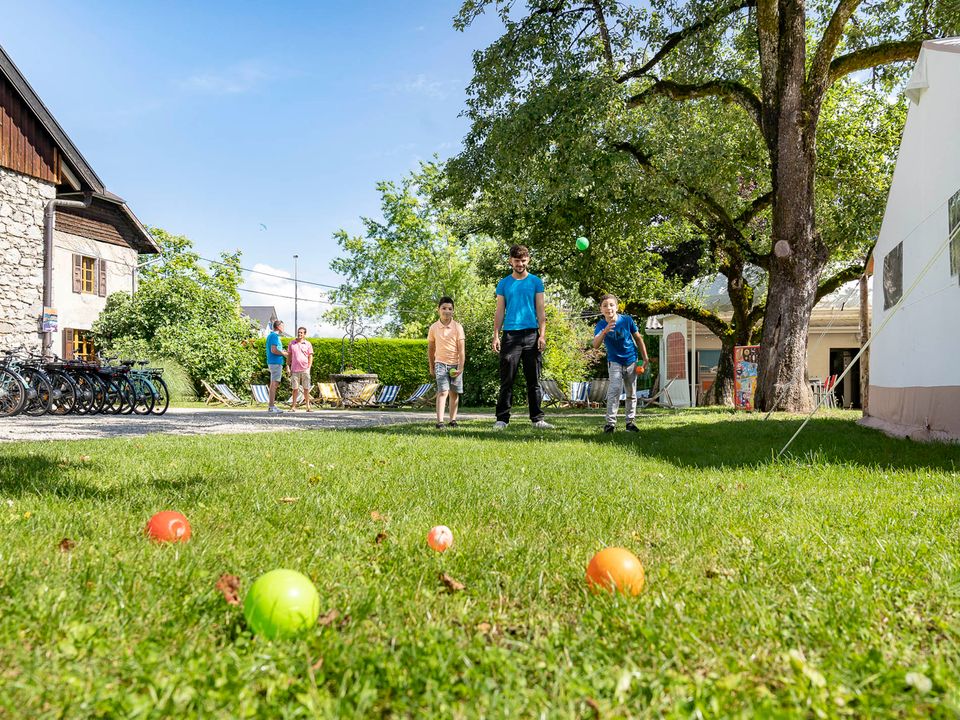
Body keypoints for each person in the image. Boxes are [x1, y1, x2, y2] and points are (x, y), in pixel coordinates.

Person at [492, 244, 553, 430]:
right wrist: (496, 335)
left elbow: (541, 311)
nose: (520, 264)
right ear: (511, 261)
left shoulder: (536, 282)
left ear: (528, 260)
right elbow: (500, 311)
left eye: (523, 260)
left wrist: (542, 335)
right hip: (510, 335)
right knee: (507, 379)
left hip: (531, 335)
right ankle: (502, 419)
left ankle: (537, 419)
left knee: (533, 380)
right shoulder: (503, 283)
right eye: (517, 260)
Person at [593, 294, 649, 433]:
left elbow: (639, 338)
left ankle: (630, 423)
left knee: (631, 392)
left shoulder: (627, 320)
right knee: (614, 391)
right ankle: (610, 424)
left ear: (617, 307)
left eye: (611, 305)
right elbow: (595, 345)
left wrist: (645, 358)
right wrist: (605, 331)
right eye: (605, 305)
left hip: (631, 360)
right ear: (601, 309)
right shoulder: (600, 325)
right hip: (614, 361)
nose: (608, 308)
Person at [427, 296, 466, 429]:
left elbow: (461, 350)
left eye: (450, 309)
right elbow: (431, 349)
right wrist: (431, 366)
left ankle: (453, 420)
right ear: (438, 310)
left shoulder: (458, 327)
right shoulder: (433, 328)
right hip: (440, 364)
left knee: (454, 393)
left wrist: (460, 367)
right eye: (444, 308)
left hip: (455, 364)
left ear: (453, 311)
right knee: (443, 391)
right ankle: (440, 422)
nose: (447, 311)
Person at [265, 319, 289, 414]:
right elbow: (273, 350)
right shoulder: (274, 336)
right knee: (274, 385)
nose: (284, 328)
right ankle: (271, 406)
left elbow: (276, 349)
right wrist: (284, 354)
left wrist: (282, 351)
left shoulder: (273, 336)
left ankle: (272, 406)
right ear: (278, 327)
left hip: (274, 362)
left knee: (274, 384)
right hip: (275, 363)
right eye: (283, 326)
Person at [288, 326, 314, 412]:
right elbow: (289, 356)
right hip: (294, 369)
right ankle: (293, 406)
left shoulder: (308, 344)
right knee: (295, 389)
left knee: (306, 388)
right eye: (299, 332)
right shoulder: (292, 343)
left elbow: (310, 356)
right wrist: (287, 366)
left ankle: (308, 407)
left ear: (304, 334)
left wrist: (309, 368)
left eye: (301, 333)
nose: (299, 334)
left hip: (305, 369)